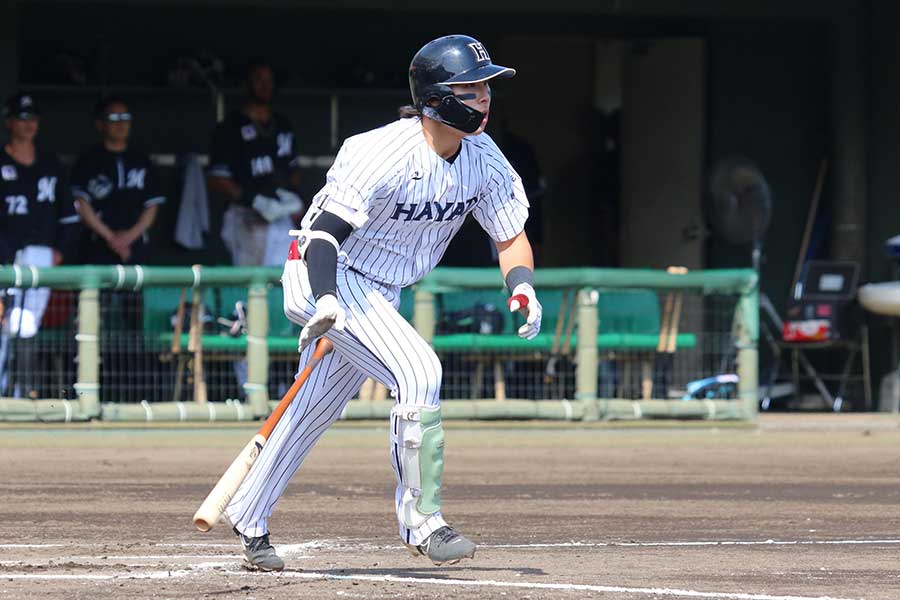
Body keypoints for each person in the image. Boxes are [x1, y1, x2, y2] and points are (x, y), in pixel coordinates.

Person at [224, 35, 543, 571]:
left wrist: (523, 284)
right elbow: (324, 235)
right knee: (419, 371)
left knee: (311, 410)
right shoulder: (380, 151)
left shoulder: (484, 158)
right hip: (325, 271)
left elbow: (510, 234)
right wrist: (325, 301)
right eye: (471, 86)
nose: (486, 96)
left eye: (487, 85)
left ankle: (248, 515)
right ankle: (424, 522)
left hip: (378, 290)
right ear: (437, 98)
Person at [0, 92, 79, 397]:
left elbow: (68, 215)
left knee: (26, 324)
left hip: (41, 253)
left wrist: (59, 249)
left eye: (32, 118)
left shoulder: (50, 163)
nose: (28, 124)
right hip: (5, 254)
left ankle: (19, 393)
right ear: (9, 122)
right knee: (4, 324)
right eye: (22, 118)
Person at [208, 58, 304, 267]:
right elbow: (217, 178)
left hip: (281, 215)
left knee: (286, 276)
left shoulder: (282, 125)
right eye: (259, 80)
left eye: (269, 80)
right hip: (246, 215)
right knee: (251, 284)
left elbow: (294, 169)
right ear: (247, 84)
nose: (265, 85)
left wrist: (292, 197)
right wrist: (254, 200)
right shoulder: (230, 127)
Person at [70, 96, 165, 265]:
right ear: (100, 124)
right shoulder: (89, 161)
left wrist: (129, 237)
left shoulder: (141, 160)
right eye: (114, 118)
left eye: (125, 118)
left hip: (135, 246)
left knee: (133, 290)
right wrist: (111, 237)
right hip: (96, 245)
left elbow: (152, 205)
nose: (121, 124)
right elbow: (81, 203)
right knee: (94, 291)